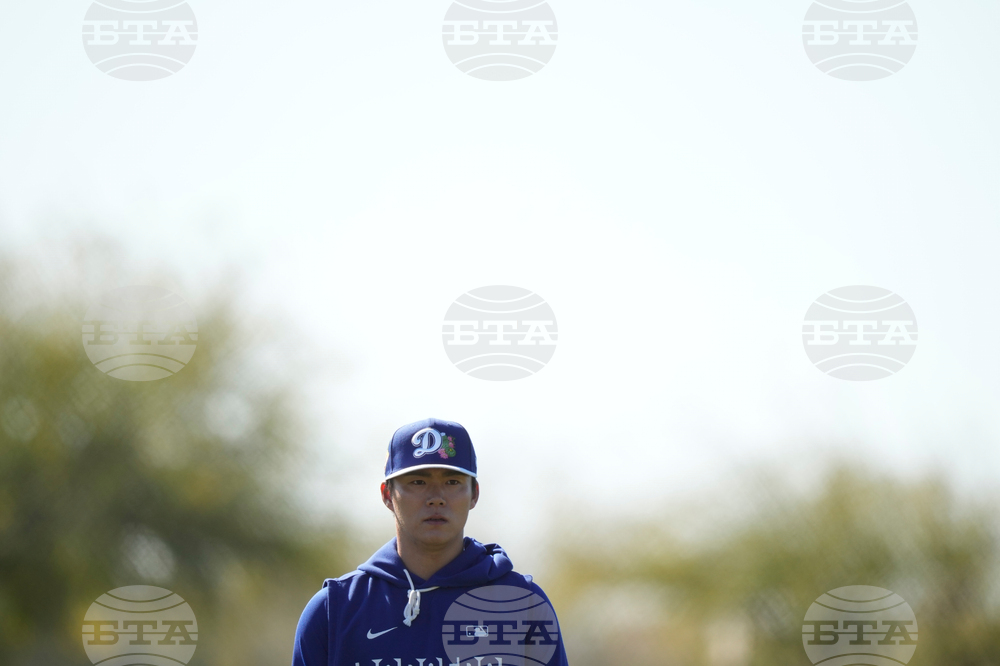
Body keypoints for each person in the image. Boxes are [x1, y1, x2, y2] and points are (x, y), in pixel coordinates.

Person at [292, 417, 570, 666]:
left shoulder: (523, 604)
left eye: (452, 482)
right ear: (387, 495)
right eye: (417, 482)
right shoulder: (335, 610)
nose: (436, 497)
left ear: (474, 494)